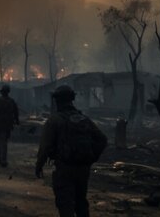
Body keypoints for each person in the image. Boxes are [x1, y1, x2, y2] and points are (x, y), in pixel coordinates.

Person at [35, 85, 108, 217]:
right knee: (81, 202)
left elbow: (45, 146)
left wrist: (39, 165)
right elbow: (102, 139)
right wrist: (91, 158)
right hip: (83, 169)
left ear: (57, 101)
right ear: (72, 99)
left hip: (64, 168)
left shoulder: (54, 120)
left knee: (65, 203)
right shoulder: (83, 119)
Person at [0, 84, 19, 167]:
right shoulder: (11, 101)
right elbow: (16, 112)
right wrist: (17, 121)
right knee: (3, 141)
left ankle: (1, 159)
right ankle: (2, 159)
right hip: (7, 124)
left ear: (1, 92)